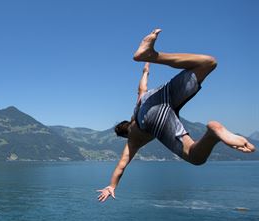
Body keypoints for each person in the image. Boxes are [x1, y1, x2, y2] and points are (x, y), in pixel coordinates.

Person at [97, 29, 255, 202]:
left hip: (152, 119)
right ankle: (152, 55)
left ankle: (212, 134)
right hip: (155, 96)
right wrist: (146, 67)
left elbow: (121, 166)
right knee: (208, 63)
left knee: (195, 157)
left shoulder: (132, 140)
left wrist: (112, 186)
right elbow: (142, 87)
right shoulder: (137, 107)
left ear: (125, 133)